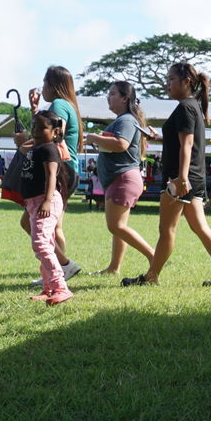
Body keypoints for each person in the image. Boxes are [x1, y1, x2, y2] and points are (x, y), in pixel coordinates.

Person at [122, 61, 211, 287]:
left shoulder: (185, 107)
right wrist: (160, 138)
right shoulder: (193, 106)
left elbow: (188, 144)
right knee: (200, 227)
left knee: (167, 230)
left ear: (187, 82)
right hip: (194, 177)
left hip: (181, 178)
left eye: (171, 79)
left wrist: (181, 178)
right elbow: (183, 141)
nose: (167, 84)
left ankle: (151, 276)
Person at [88, 80, 155, 276]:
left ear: (125, 98)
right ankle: (114, 268)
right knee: (119, 227)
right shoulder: (124, 120)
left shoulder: (126, 120)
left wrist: (95, 137)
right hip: (122, 179)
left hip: (123, 179)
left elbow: (121, 144)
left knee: (115, 226)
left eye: (113, 94)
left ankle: (154, 256)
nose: (108, 97)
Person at [22, 66, 82, 282]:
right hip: (67, 169)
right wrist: (35, 109)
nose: (43, 87)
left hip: (60, 170)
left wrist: (25, 144)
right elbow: (45, 129)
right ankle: (57, 269)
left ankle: (61, 267)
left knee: (43, 224)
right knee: (49, 225)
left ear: (53, 85)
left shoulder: (58, 104)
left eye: (45, 83)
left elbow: (55, 135)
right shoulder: (67, 104)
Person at [22, 111, 73, 305]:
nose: (35, 130)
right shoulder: (36, 148)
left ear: (55, 131)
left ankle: (61, 287)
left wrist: (46, 200)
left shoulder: (50, 149)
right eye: (34, 126)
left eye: (42, 127)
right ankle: (49, 288)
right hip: (34, 202)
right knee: (47, 245)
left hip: (46, 201)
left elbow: (52, 175)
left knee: (41, 245)